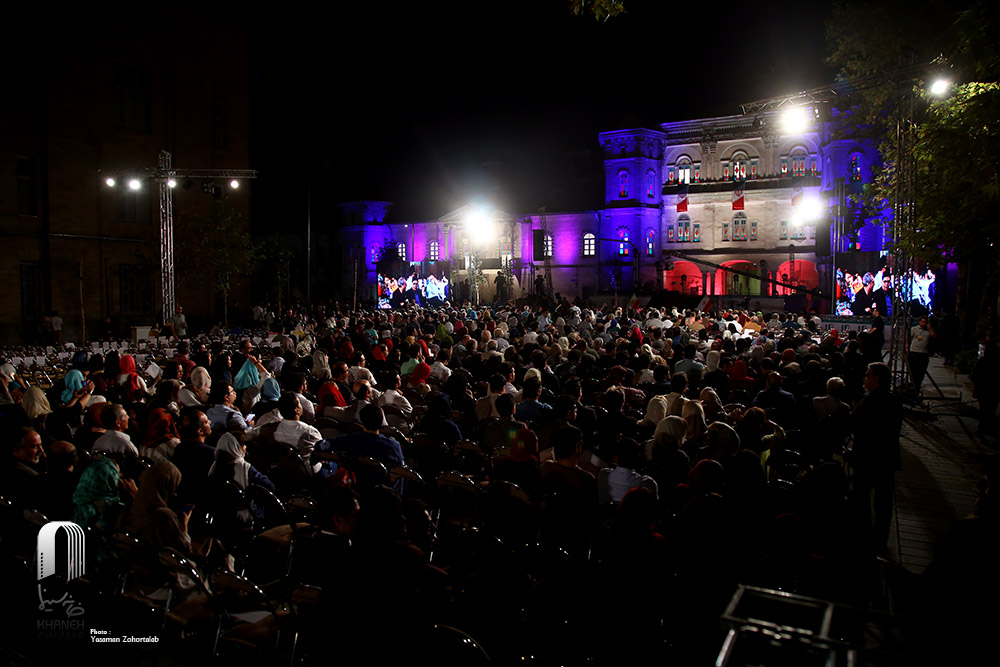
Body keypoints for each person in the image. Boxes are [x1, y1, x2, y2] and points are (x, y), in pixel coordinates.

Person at [851, 362, 903, 556]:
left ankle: (863, 535)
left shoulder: (870, 402)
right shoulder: (894, 401)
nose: (865, 377)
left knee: (862, 496)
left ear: (877, 379)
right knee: (883, 501)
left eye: (868, 374)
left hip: (868, 456)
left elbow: (857, 425)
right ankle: (880, 538)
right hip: (886, 457)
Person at [908, 316, 935, 393]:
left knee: (921, 372)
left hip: (924, 354)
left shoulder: (928, 330)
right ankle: (913, 385)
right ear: (919, 322)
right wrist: (907, 349)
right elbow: (908, 339)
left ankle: (918, 385)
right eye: (922, 322)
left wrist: (929, 329)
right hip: (914, 353)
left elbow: (934, 336)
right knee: (913, 371)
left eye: (925, 322)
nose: (924, 324)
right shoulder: (914, 329)